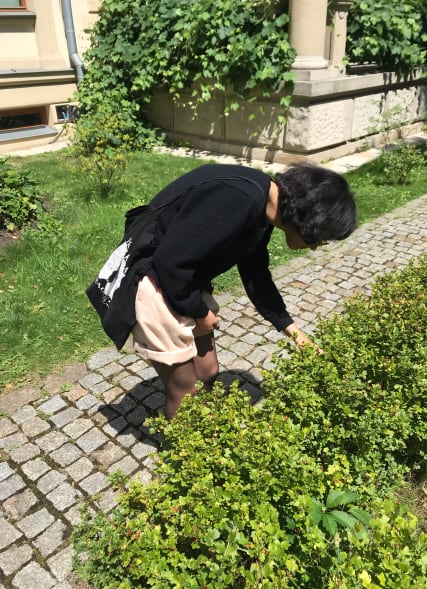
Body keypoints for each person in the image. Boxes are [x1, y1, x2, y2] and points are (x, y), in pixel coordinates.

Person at [87, 162, 356, 420]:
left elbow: (256, 276)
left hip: (183, 279)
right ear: (310, 220)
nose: (317, 246)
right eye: (322, 238)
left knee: (208, 370)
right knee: (185, 395)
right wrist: (201, 313)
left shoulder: (263, 205)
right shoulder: (240, 200)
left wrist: (294, 333)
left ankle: (206, 430)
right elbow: (169, 263)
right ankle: (182, 456)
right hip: (152, 280)